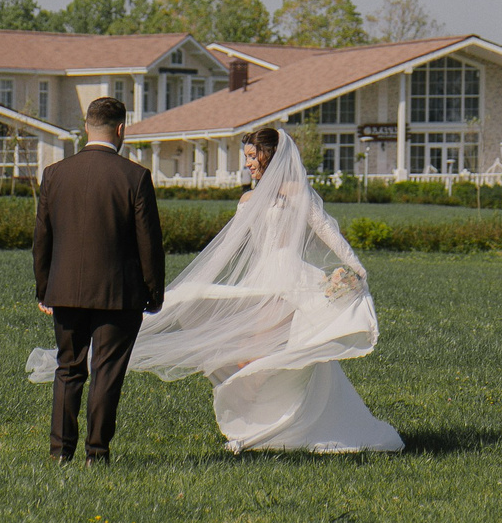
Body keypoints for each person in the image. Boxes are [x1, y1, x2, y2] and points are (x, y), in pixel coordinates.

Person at [33, 124, 402, 454]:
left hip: (289, 283)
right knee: (255, 358)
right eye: (246, 158)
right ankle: (264, 426)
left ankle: (274, 424)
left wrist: (354, 267)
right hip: (260, 282)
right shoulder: (248, 199)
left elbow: (326, 231)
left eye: (252, 157)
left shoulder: (299, 193)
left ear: (269, 155)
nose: (248, 165)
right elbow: (233, 245)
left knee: (265, 359)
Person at [29, 97, 164, 464]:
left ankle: (60, 453)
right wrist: (154, 292)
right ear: (121, 129)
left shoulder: (55, 174)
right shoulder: (135, 177)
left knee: (68, 369)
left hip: (66, 290)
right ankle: (97, 453)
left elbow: (42, 238)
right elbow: (148, 243)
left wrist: (44, 288)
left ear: (86, 126)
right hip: (119, 294)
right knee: (106, 372)